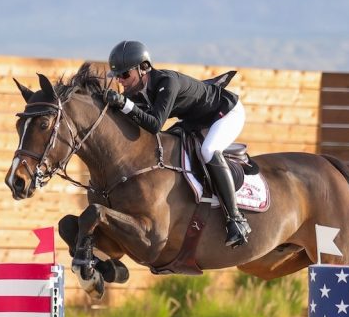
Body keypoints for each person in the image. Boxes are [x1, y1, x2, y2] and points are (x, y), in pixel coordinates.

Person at [103, 40, 251, 248]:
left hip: (225, 113)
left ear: (143, 68)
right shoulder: (135, 92)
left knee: (209, 150)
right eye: (117, 76)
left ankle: (236, 219)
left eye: (125, 74)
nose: (120, 80)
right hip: (196, 121)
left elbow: (155, 125)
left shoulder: (167, 82)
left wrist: (125, 105)